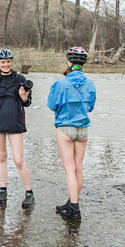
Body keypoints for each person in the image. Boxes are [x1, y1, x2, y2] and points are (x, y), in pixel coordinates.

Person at [0, 48, 34, 208]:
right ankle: (3, 189)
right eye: (3, 62)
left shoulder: (20, 79)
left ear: (11, 62)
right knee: (2, 156)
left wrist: (24, 95)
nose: (6, 64)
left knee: (18, 160)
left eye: (8, 61)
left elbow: (27, 102)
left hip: (15, 122)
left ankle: (29, 192)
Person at [47, 46, 96, 221]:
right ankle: (72, 202)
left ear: (69, 62)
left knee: (69, 170)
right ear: (83, 64)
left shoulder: (60, 83)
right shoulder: (89, 83)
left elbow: (52, 105)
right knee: (78, 168)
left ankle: (74, 209)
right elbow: (90, 106)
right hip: (83, 128)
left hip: (65, 127)